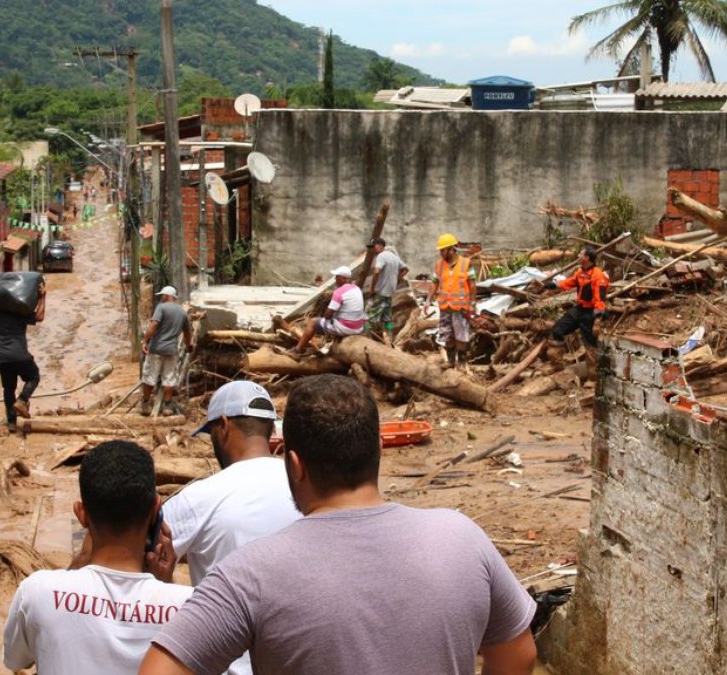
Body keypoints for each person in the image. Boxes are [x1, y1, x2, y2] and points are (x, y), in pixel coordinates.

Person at [140, 375, 537, 675]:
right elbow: (519, 655)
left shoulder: (251, 573)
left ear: (293, 465)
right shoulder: (462, 538)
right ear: (379, 450)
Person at [4, 440, 193, 675]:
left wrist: (78, 565)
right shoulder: (190, 608)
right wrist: (164, 586)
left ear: (81, 515)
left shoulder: (35, 592)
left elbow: (15, 661)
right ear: (155, 509)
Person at [161, 380, 300, 675]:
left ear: (222, 426)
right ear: (271, 429)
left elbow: (137, 553)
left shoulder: (201, 497)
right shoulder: (306, 486)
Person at [0, 280, 46, 431]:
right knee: (34, 377)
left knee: (8, 389)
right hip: (20, 355)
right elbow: (40, 317)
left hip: (2, 358)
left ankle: (11, 423)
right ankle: (22, 400)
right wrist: (42, 297)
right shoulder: (19, 311)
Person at [544, 246, 610, 376]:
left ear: (587, 258)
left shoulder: (598, 275)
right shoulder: (580, 272)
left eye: (581, 253)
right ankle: (558, 367)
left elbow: (599, 298)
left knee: (590, 344)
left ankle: (593, 377)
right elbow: (569, 282)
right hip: (579, 309)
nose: (578, 255)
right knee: (557, 330)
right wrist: (555, 285)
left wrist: (597, 319)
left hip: (591, 312)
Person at [141, 285, 194, 417]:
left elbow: (153, 325)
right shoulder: (182, 312)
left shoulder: (161, 307)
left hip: (156, 349)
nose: (160, 298)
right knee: (169, 379)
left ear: (166, 296)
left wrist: (145, 340)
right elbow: (188, 332)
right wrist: (189, 346)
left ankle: (146, 404)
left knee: (150, 377)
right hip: (171, 350)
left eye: (162, 296)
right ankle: (167, 406)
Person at [426, 233, 476, 370]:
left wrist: (472, 304)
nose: (441, 253)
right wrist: (427, 300)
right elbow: (434, 283)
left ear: (452, 249)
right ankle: (450, 361)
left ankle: (461, 362)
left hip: (461, 307)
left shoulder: (466, 263)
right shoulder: (439, 265)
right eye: (441, 250)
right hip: (444, 306)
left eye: (443, 250)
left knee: (461, 336)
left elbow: (472, 285)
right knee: (447, 334)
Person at [293, 266, 366, 352]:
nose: (335, 279)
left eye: (336, 277)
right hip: (358, 327)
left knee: (313, 322)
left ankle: (297, 349)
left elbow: (328, 315)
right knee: (337, 318)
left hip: (347, 328)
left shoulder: (339, 292)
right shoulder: (356, 288)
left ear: (342, 278)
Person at [364, 237, 409, 345]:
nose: (373, 250)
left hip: (379, 292)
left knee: (366, 316)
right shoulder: (394, 257)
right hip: (389, 293)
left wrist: (372, 288)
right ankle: (390, 338)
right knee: (387, 318)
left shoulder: (381, 256)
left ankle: (368, 339)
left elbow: (376, 271)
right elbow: (406, 269)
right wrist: (397, 280)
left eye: (374, 246)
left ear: (379, 245)